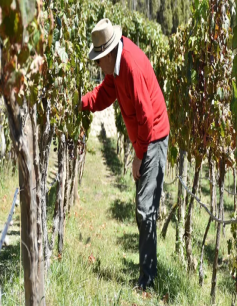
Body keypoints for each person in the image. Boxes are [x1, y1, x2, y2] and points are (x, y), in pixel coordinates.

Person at [80, 18, 170, 290]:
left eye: (98, 59)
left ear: (108, 53)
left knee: (145, 210)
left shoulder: (130, 64)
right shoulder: (116, 68)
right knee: (143, 209)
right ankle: (147, 274)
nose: (98, 65)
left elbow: (146, 116)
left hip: (153, 138)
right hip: (146, 138)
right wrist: (80, 102)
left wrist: (138, 156)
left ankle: (148, 281)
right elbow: (105, 93)